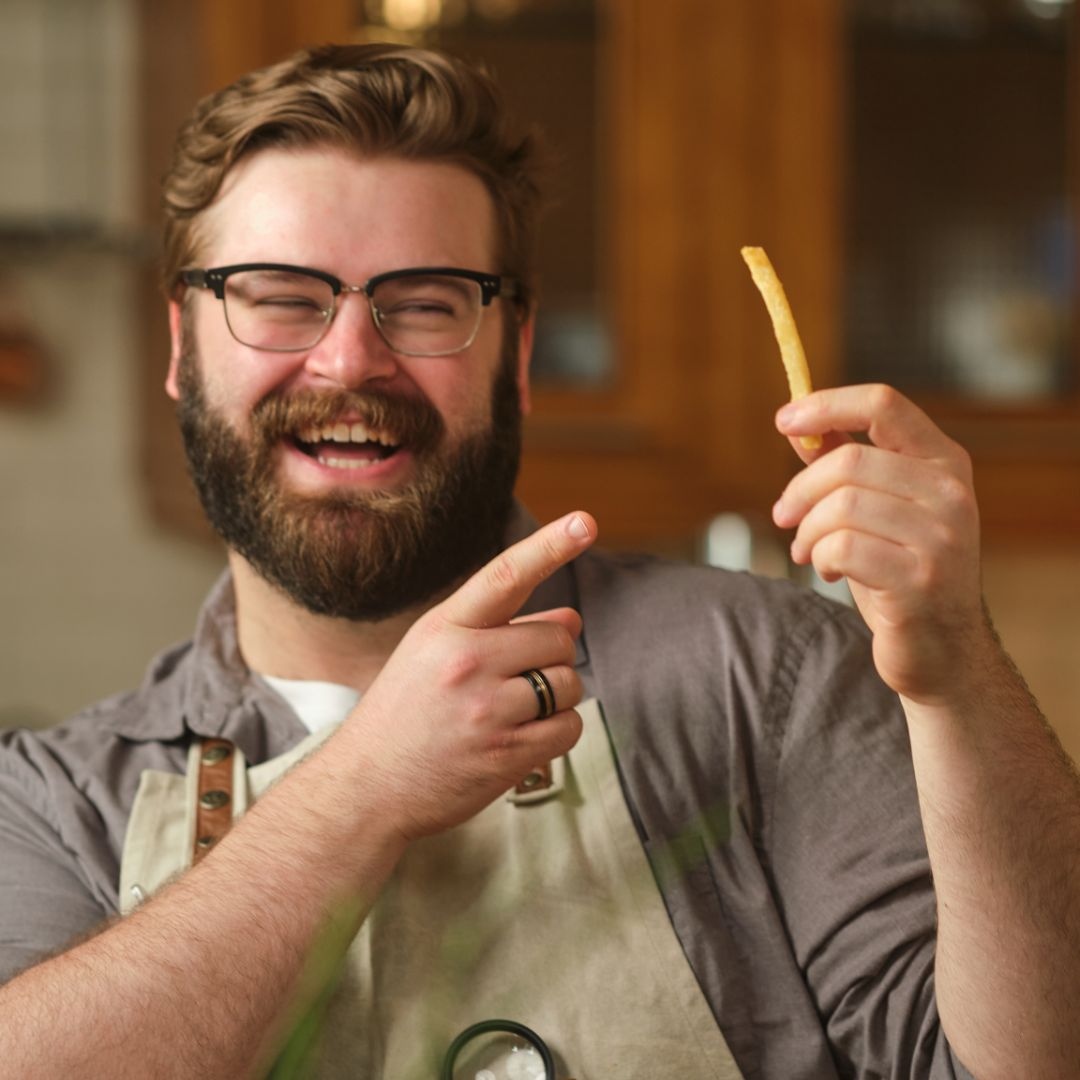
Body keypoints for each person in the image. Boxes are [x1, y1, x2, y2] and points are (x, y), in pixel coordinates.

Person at [0, 42, 1077, 1080]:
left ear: (515, 356)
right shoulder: (55, 805)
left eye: (424, 304)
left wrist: (960, 673)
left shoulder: (770, 677)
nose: (349, 359)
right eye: (281, 296)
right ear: (184, 349)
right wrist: (368, 785)